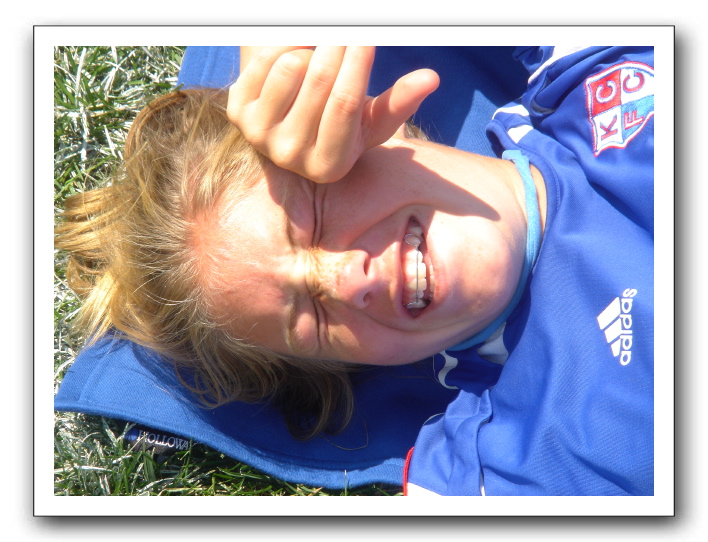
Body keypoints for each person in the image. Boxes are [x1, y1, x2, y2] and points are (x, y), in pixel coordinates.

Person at [55, 46, 654, 495]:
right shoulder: (496, 467)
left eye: (314, 219)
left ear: (355, 127)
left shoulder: (593, 62)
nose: (349, 282)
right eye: (312, 319)